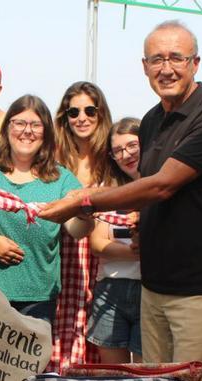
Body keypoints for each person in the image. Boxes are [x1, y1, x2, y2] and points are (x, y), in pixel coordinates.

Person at [40, 20, 202, 381]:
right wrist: (143, 224)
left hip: (201, 287)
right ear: (144, 65)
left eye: (176, 58)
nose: (166, 68)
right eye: (157, 59)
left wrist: (83, 199)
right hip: (154, 283)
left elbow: (162, 186)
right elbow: (149, 192)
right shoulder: (151, 121)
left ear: (195, 63)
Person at [0, 95, 93, 324]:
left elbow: (77, 230)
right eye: (20, 123)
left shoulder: (61, 179)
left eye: (36, 125)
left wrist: (84, 213)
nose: (27, 131)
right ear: (7, 127)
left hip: (37, 298)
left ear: (46, 132)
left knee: (30, 361)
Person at [49, 81, 114, 372]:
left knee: (100, 330)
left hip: (103, 255)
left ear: (101, 114)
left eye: (90, 110)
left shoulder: (112, 159)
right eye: (73, 112)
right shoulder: (53, 159)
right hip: (64, 254)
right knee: (63, 325)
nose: (81, 118)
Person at [87, 117, 142, 364]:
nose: (126, 154)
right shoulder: (106, 188)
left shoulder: (160, 185)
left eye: (132, 145)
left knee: (147, 373)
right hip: (110, 289)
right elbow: (97, 244)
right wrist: (138, 252)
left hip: (149, 290)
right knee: (113, 377)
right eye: (118, 150)